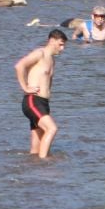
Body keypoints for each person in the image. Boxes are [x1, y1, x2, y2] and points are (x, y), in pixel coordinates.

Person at [15, 30, 67, 159]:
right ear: (52, 41)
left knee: (35, 148)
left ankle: (34, 169)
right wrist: (25, 87)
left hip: (43, 103)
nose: (62, 48)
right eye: (60, 44)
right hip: (33, 101)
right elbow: (19, 66)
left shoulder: (52, 60)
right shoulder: (40, 53)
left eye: (64, 45)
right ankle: (44, 163)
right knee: (52, 129)